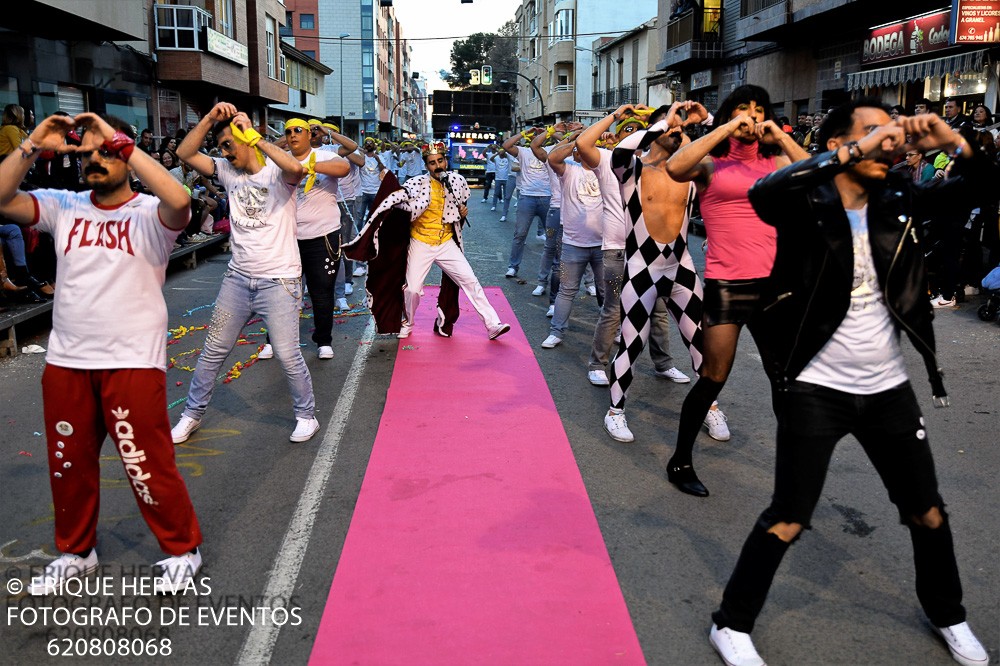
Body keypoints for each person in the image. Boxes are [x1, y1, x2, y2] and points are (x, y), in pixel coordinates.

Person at [708, 100, 990, 666]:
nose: (888, 141)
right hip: (815, 387)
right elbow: (767, 192)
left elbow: (980, 187)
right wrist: (854, 150)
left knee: (927, 511)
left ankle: (947, 613)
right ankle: (731, 623)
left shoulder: (897, 202)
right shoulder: (805, 203)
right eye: (871, 132)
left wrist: (954, 141)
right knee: (789, 516)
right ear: (840, 142)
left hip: (889, 390)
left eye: (891, 132)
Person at [0, 112, 204, 593]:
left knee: (144, 462)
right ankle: (76, 552)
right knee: (69, 465)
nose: (96, 159)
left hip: (132, 360)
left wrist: (122, 142)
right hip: (67, 362)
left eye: (106, 152)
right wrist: (32, 143)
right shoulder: (63, 205)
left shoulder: (150, 214)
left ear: (126, 157)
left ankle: (182, 550)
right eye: (88, 153)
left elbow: (182, 200)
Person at [662, 84, 809, 497]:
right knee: (713, 376)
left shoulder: (776, 159)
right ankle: (680, 461)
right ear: (729, 114)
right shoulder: (710, 162)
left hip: (775, 286)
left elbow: (821, 175)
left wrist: (780, 135)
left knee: (783, 379)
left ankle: (794, 469)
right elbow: (676, 167)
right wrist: (723, 128)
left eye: (759, 110)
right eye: (743, 108)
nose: (751, 116)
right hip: (728, 283)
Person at [170, 102, 319, 445]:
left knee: (286, 353)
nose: (223, 153)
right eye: (220, 147)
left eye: (227, 145)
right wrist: (209, 118)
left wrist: (255, 136)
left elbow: (295, 167)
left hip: (279, 281)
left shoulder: (276, 175)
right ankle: (191, 415)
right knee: (212, 351)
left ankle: (306, 416)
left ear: (246, 140)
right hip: (237, 281)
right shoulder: (225, 170)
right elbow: (184, 152)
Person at [586, 103, 709, 449]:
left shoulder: (690, 173)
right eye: (673, 128)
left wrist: (706, 120)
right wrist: (662, 124)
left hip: (682, 266)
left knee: (700, 341)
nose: (679, 132)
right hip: (641, 268)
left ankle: (710, 405)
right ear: (656, 131)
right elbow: (620, 151)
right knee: (632, 342)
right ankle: (615, 410)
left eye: (682, 129)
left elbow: (723, 146)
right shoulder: (633, 170)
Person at [577, 107, 692, 391]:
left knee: (660, 312)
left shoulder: (665, 165)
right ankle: (597, 363)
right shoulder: (610, 160)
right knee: (614, 309)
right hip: (617, 251)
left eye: (638, 129)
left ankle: (663, 363)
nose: (634, 134)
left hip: (656, 256)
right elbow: (582, 144)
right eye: (627, 130)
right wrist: (616, 115)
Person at [353, 142, 511, 341]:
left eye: (440, 161)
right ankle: (408, 322)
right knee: (412, 290)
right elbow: (399, 201)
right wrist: (389, 184)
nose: (437, 166)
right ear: (426, 166)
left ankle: (492, 324)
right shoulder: (417, 183)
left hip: (446, 243)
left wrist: (463, 212)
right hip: (421, 242)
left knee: (470, 281)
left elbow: (460, 208)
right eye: (432, 163)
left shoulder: (457, 181)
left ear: (446, 161)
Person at [284, 117, 351, 359]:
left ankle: (323, 341)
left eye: (298, 130)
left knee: (321, 292)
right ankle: (276, 340)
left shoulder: (324, 155)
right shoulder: (282, 159)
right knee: (283, 292)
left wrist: (306, 167)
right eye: (288, 131)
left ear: (309, 135)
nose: (292, 135)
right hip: (287, 237)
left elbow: (344, 168)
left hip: (322, 236)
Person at [539, 129, 604, 348]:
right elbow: (552, 157)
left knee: (610, 292)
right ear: (575, 153)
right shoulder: (569, 170)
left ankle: (614, 330)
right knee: (567, 290)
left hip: (605, 246)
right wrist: (576, 139)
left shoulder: (608, 169)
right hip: (572, 245)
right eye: (579, 150)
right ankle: (557, 331)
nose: (584, 152)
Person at [502, 126, 551, 277]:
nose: (537, 137)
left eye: (540, 135)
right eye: (535, 135)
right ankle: (513, 266)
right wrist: (524, 133)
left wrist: (550, 132)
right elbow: (506, 146)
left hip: (548, 197)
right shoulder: (523, 151)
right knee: (520, 234)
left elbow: (566, 141)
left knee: (552, 237)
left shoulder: (551, 149)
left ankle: (553, 272)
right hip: (527, 198)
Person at [491, 147, 512, 220]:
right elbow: (491, 159)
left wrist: (503, 152)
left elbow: (507, 154)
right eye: (500, 153)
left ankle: (506, 208)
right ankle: (494, 205)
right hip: (498, 178)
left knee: (506, 195)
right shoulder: (496, 158)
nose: (501, 155)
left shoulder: (507, 159)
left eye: (502, 153)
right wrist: (497, 153)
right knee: (496, 193)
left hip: (506, 178)